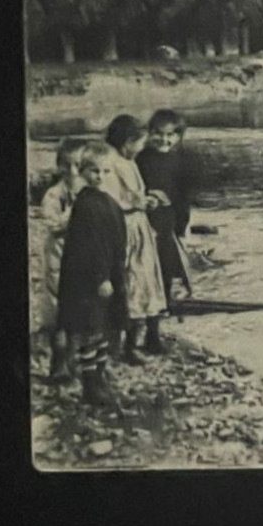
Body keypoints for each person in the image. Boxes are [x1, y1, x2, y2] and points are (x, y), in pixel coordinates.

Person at [56, 142, 127, 407]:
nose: (101, 177)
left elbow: (115, 237)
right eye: (95, 171)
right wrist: (101, 277)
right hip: (90, 280)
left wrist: (119, 268)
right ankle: (89, 384)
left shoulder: (107, 201)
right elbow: (89, 246)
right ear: (82, 171)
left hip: (109, 272)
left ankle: (99, 374)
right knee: (90, 328)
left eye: (107, 171)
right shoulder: (85, 204)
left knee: (104, 325)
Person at [102, 115, 170, 362]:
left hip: (140, 226)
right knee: (134, 282)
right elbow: (111, 200)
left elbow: (132, 193)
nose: (142, 148)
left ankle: (151, 338)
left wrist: (149, 197)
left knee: (148, 279)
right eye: (138, 142)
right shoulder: (111, 163)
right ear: (127, 142)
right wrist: (138, 202)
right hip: (127, 229)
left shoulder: (127, 161)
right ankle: (131, 346)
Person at [38, 138, 89, 381]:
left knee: (79, 307)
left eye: (78, 166)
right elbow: (52, 224)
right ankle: (58, 364)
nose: (72, 172)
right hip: (59, 255)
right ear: (59, 166)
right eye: (66, 165)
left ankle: (74, 360)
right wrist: (74, 212)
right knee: (59, 309)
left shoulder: (90, 191)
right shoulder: (54, 194)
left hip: (81, 257)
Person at [137, 109, 194, 305]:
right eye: (158, 134)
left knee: (169, 257)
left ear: (179, 136)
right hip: (148, 216)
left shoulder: (183, 160)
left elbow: (184, 196)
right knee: (148, 257)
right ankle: (151, 297)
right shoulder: (141, 158)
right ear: (149, 133)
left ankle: (169, 296)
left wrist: (182, 226)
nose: (164, 139)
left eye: (170, 135)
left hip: (169, 217)